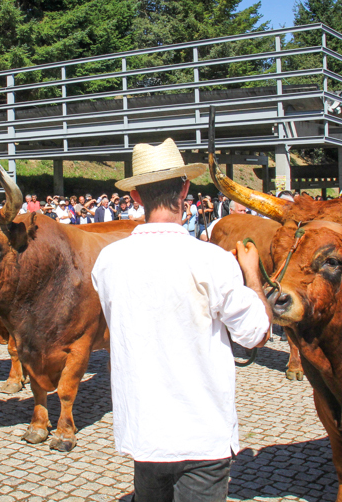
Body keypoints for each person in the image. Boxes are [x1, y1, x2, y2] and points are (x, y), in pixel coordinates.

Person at [91, 138, 271, 502]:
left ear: (137, 197)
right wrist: (251, 275)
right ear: (185, 188)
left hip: (145, 430)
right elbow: (256, 334)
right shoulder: (212, 260)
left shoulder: (108, 262)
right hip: (201, 432)